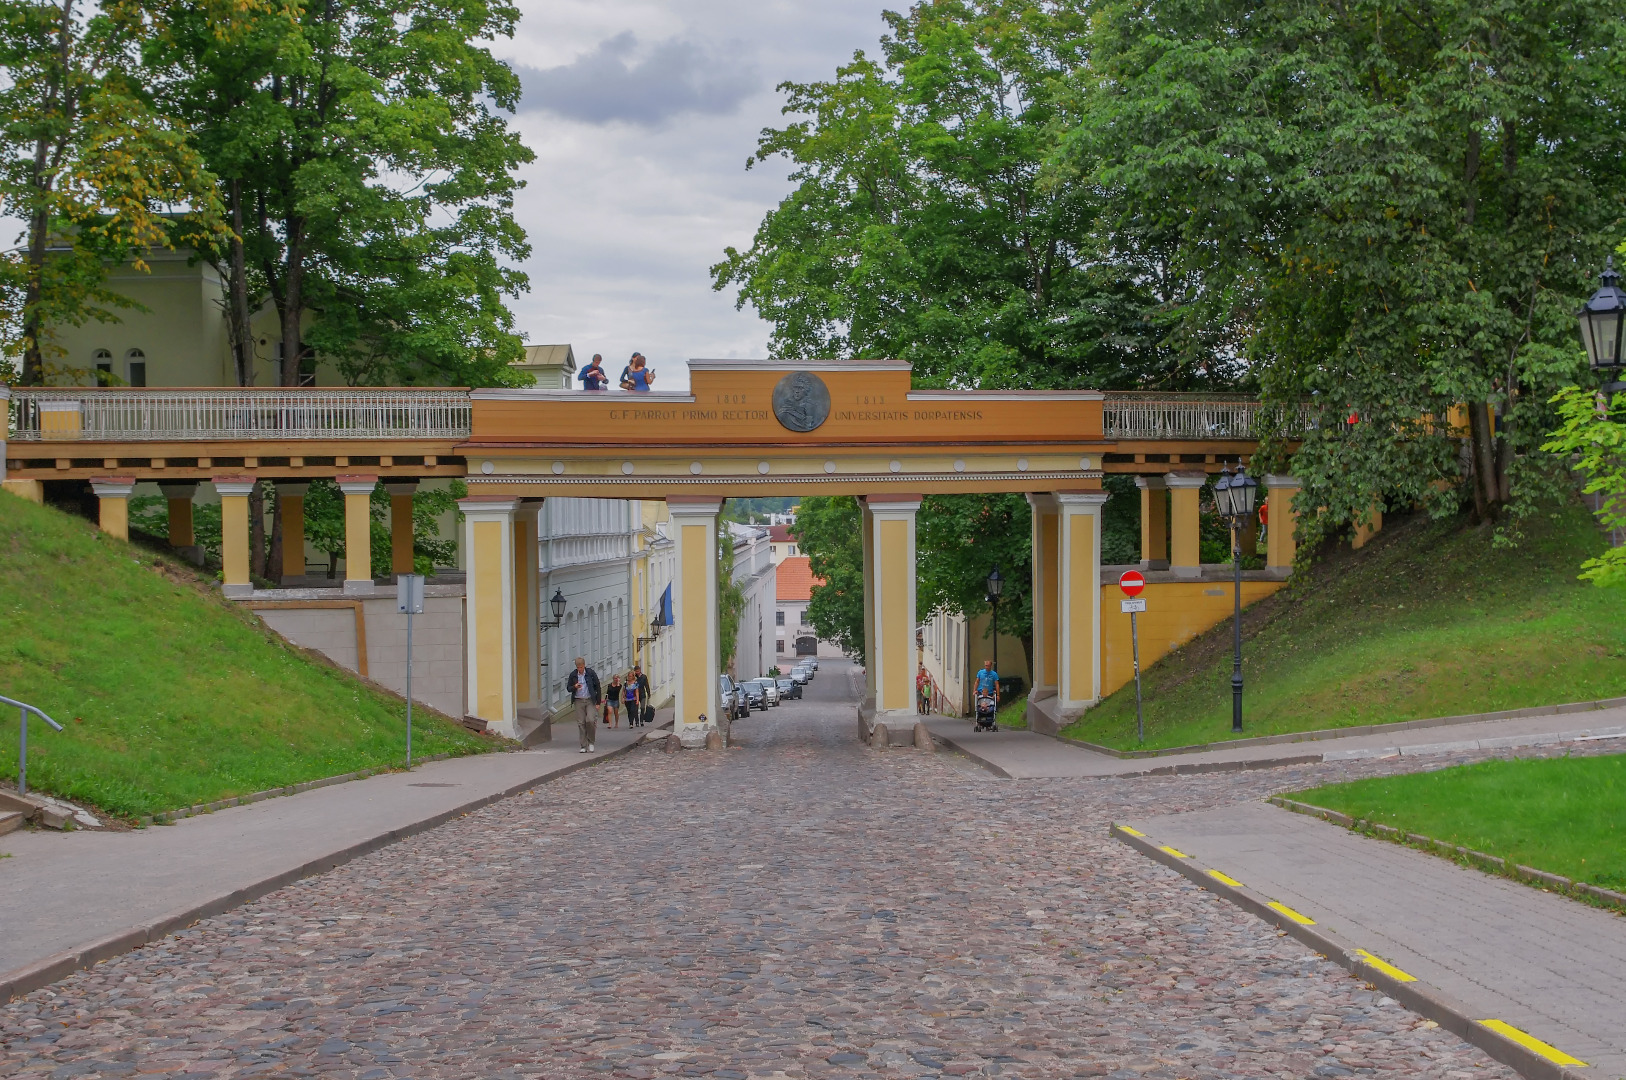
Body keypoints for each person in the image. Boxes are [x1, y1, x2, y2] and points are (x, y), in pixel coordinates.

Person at [564, 656, 601, 753]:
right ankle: (583, 745)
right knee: (581, 723)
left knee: (590, 720)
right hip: (578, 700)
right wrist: (574, 686)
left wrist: (598, 702)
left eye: (581, 667)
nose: (579, 669)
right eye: (578, 667)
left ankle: (591, 742)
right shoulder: (573, 675)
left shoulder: (590, 673)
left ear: (584, 665)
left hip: (590, 700)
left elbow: (597, 686)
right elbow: (568, 688)